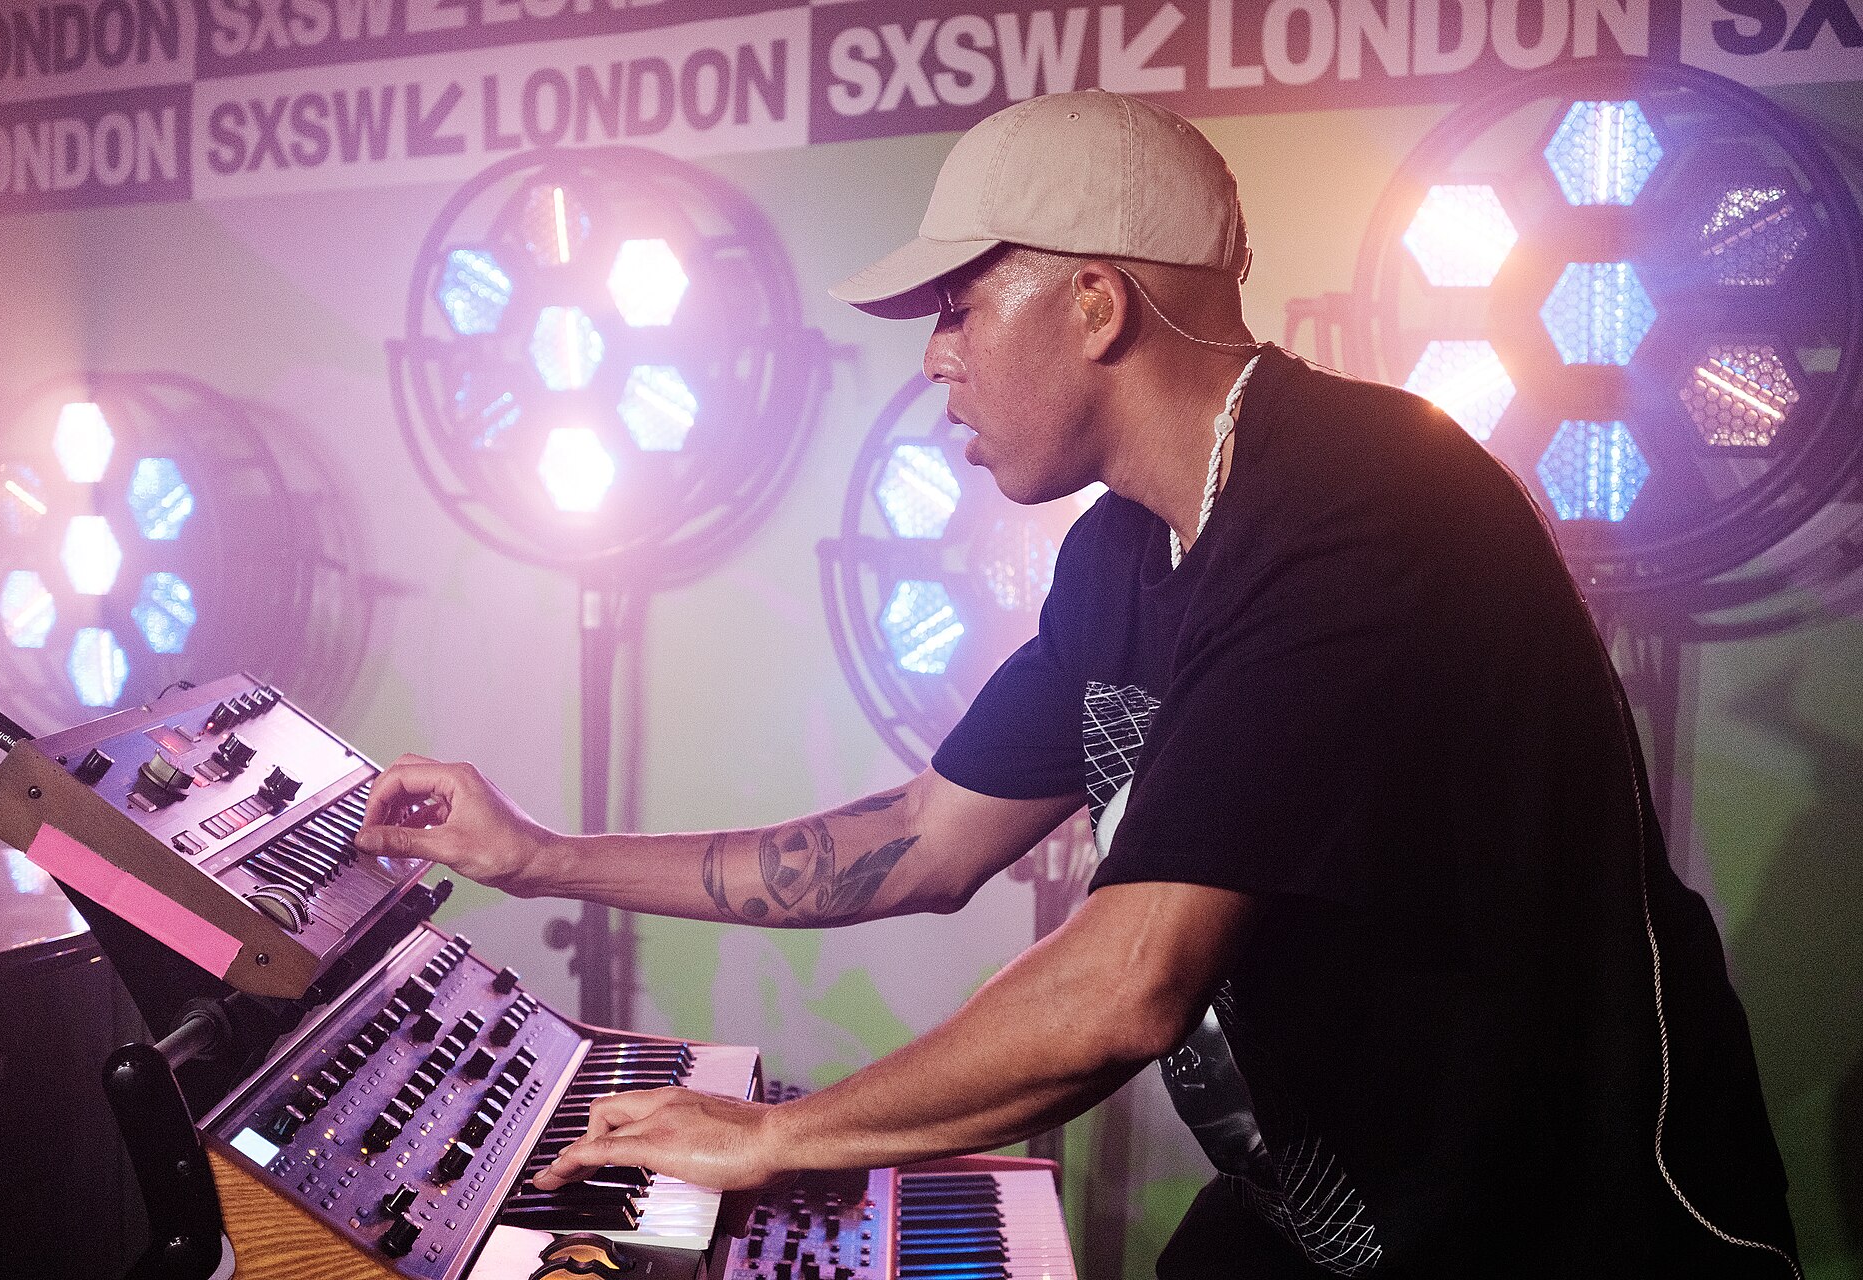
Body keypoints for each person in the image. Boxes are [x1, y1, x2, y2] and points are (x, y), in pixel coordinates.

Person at [357, 90, 1798, 1277]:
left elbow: (1126, 990)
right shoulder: (1125, 553)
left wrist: (773, 1138)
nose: (934, 362)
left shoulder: (1367, 506)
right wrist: (536, 856)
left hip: (1572, 1237)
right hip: (1329, 1213)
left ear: (1095, 304)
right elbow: (917, 846)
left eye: (959, 306)